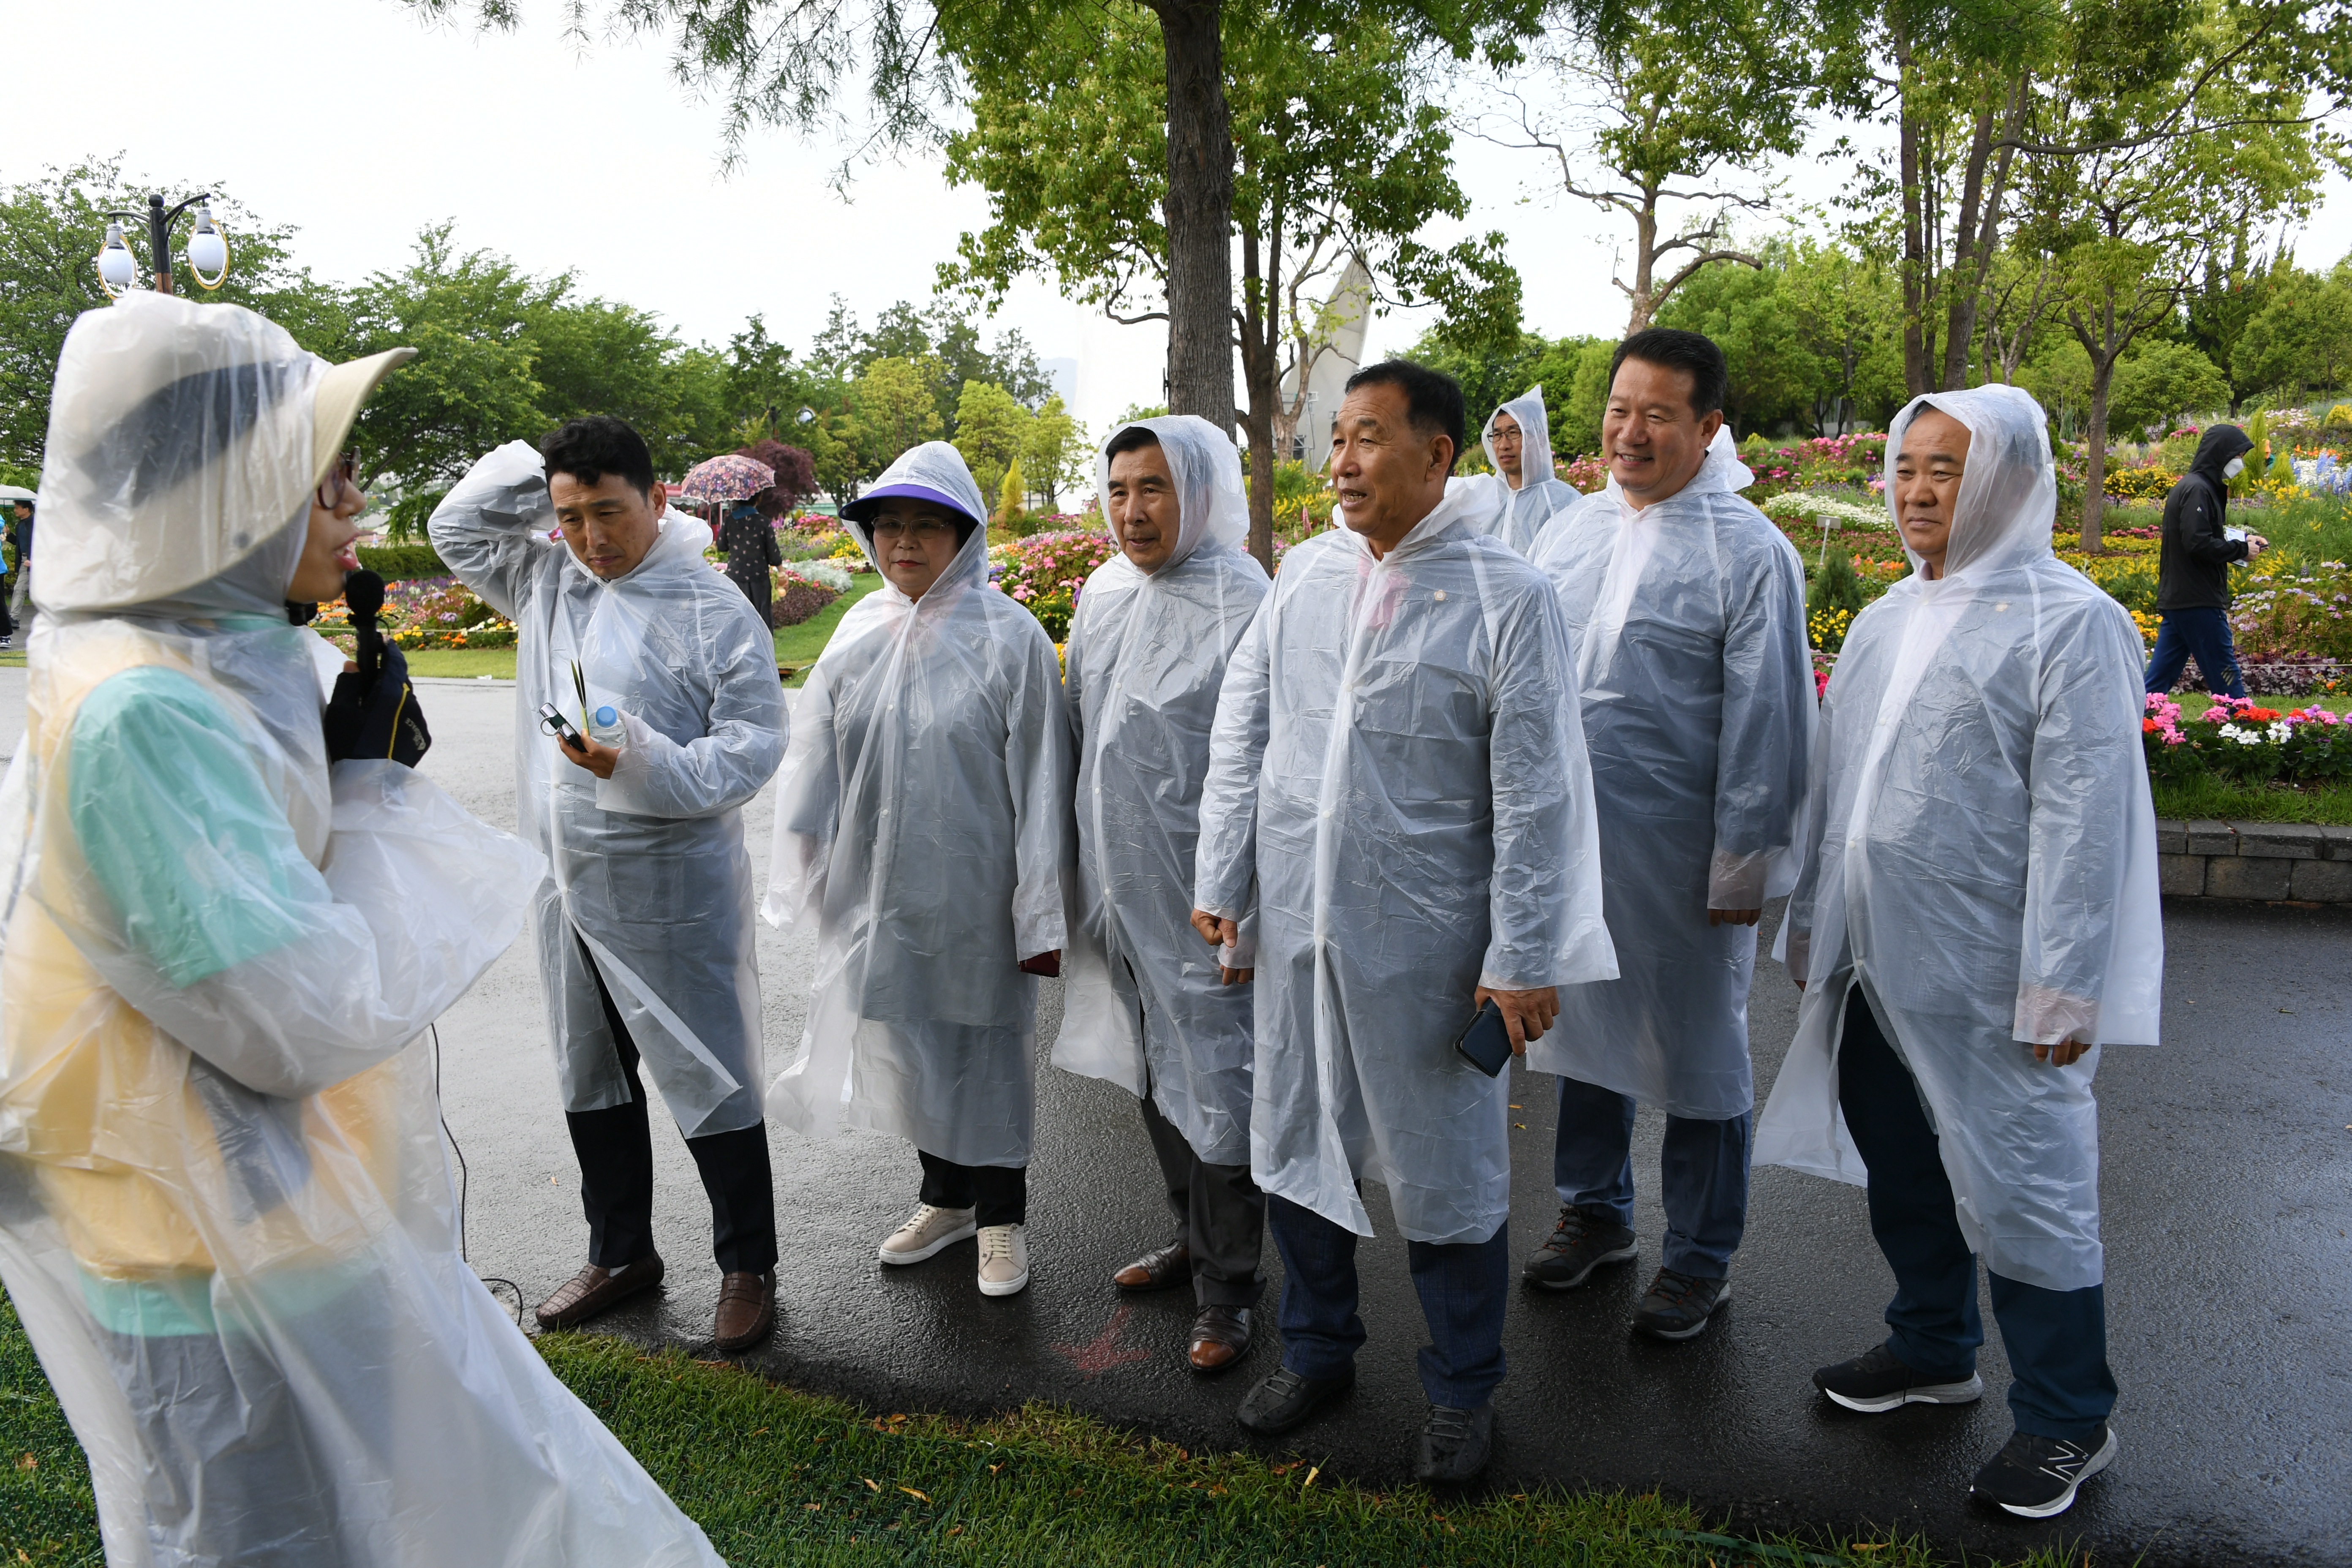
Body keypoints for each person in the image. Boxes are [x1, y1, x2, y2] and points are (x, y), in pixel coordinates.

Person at [0, 291, 722, 1565]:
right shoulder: (145, 715)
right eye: (321, 475)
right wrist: (372, 798)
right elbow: (297, 1015)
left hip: (271, 1230)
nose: (353, 506)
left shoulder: (206, 671)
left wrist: (333, 771)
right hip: (204, 1264)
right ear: (221, 491)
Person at [1193, 360, 1614, 1484]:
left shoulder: (1505, 597)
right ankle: (1320, 1348)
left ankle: (1464, 1391)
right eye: (1337, 437)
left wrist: (1523, 953)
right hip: (1301, 925)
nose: (1340, 461)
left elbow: (1540, 792)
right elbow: (1248, 729)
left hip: (1433, 948)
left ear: (1438, 455)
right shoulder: (1308, 576)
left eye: (1369, 437)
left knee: (1448, 1171)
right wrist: (1227, 879)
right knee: (1295, 1134)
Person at [1757, 384, 2159, 1521]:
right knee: (1904, 1162)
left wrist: (2063, 980)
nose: (1917, 490)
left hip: (1997, 974)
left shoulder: (2069, 622)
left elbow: (2085, 819)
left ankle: (2069, 1416)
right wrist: (1811, 922)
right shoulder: (1887, 617)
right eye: (1907, 466)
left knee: (2029, 1184)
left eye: (1948, 469)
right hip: (1877, 965)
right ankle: (1932, 1347)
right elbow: (1841, 788)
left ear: (2015, 483)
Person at [430, 418, 787, 1352]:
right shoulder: (547, 581)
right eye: (571, 515)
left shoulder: (711, 607)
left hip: (670, 888)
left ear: (660, 499)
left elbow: (754, 746)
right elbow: (455, 529)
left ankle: (749, 1264)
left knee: (708, 1070)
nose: (592, 538)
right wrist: (537, 473)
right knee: (591, 1073)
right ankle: (621, 1249)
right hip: (565, 883)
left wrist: (637, 760)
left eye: (611, 511)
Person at [1523, 328, 1813, 1341]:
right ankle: (1594, 1212)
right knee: (1582, 1026)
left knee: (1696, 1050)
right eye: (1617, 408)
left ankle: (1699, 1256)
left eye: (1657, 413)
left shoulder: (1748, 551)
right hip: (1569, 846)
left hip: (1685, 854)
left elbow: (1769, 716)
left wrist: (1745, 860)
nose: (1629, 432)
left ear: (1708, 427)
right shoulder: (1567, 535)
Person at [765, 442, 1070, 1298]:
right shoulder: (861, 634)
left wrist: (1040, 909)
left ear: (963, 535)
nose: (904, 541)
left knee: (986, 1046)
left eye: (925, 525)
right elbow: (815, 754)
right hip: (878, 893)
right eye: (889, 524)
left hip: (979, 894)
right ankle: (946, 1197)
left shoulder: (1010, 640)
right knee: (908, 1040)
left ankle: (1002, 1215)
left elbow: (1042, 782)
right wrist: (799, 851)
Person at [1054, 416, 1271, 1371]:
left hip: (1205, 899)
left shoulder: (1245, 600)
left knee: (1219, 1083)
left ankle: (1231, 1291)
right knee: (1154, 1072)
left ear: (1200, 490)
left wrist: (1245, 898)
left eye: (1154, 488)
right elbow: (1079, 730)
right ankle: (1191, 1236)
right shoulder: (1102, 592)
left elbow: (1270, 765)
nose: (1133, 511)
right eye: (1118, 491)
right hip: (1121, 888)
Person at [2144, 424, 2263, 699]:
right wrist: (2240, 550)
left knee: (2157, 681)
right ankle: (2245, 725)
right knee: (2226, 671)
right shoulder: (2198, 489)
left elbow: (2202, 536)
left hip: (2181, 600)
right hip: (2199, 600)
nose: (2240, 463)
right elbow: (2198, 543)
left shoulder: (2195, 487)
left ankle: (2132, 728)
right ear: (2221, 454)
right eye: (2239, 456)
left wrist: (2242, 541)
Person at [1471, 387, 1580, 555]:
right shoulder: (1482, 499)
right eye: (1497, 435)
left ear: (1539, 438)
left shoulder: (1566, 503)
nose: (1504, 445)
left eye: (1514, 433)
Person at [719, 494, 784, 626]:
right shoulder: (763, 521)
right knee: (762, 618)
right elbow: (773, 553)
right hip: (759, 577)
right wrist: (781, 571)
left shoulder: (729, 520)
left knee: (739, 617)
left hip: (736, 576)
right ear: (758, 498)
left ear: (737, 499)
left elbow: (722, 546)